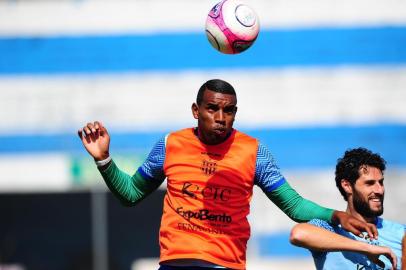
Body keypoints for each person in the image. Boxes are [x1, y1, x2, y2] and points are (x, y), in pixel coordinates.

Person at [78, 79, 376, 270]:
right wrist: (104, 160)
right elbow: (130, 195)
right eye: (212, 109)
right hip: (174, 264)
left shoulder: (254, 152)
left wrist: (336, 215)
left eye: (229, 111)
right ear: (196, 110)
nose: (221, 118)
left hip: (224, 265)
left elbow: (293, 205)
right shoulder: (170, 145)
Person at [290, 147, 405, 270]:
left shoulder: (401, 233)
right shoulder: (330, 228)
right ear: (347, 186)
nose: (380, 190)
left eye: (381, 182)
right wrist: (367, 249)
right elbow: (298, 234)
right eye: (370, 183)